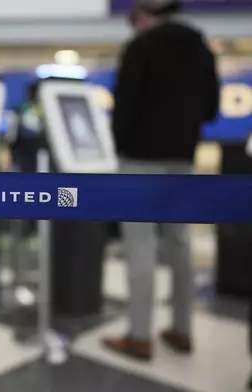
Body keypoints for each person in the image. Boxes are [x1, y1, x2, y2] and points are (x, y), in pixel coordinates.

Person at [102, 0, 219, 360]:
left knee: (141, 246)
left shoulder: (141, 47)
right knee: (180, 243)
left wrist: (117, 151)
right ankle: (182, 330)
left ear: (143, 15)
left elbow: (124, 110)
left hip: (139, 159)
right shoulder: (199, 47)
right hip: (182, 158)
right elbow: (211, 109)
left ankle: (139, 335)